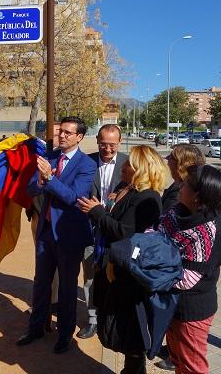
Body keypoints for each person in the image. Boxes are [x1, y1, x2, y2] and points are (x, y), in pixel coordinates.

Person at [77, 145, 168, 373]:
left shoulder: (148, 198)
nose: (123, 166)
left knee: (132, 336)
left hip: (128, 276)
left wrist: (97, 212)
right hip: (113, 268)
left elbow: (125, 233)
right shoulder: (129, 189)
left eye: (129, 164)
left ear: (141, 169)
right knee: (122, 331)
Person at [17, 116, 96, 354]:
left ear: (79, 137)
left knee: (67, 288)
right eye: (61, 131)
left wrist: (49, 178)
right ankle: (36, 327)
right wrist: (41, 181)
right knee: (41, 283)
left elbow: (74, 197)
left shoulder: (86, 164)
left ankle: (65, 334)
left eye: (68, 133)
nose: (61, 136)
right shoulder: (49, 158)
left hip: (69, 235)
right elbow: (31, 189)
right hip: (45, 233)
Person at [160, 165, 221, 374]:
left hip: (191, 310)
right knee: (178, 359)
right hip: (171, 302)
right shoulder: (179, 211)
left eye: (187, 185)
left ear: (198, 196)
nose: (180, 186)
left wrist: (150, 271)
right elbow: (157, 230)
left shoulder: (207, 231)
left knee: (193, 367)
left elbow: (187, 279)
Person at [156, 144, 205, 371]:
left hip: (188, 293)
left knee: (191, 360)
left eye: (172, 159)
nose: (167, 161)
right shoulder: (178, 188)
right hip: (176, 280)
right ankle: (171, 352)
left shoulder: (185, 196)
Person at [77, 124, 128, 340]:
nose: (107, 149)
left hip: (116, 232)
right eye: (103, 144)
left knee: (116, 276)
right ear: (97, 140)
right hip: (90, 230)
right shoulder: (86, 162)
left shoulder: (129, 164)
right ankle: (93, 320)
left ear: (120, 142)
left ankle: (112, 316)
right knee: (90, 277)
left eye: (112, 145)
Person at [26, 122, 60, 332]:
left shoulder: (71, 161)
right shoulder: (39, 158)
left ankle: (55, 304)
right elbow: (30, 188)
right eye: (55, 133)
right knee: (43, 264)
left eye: (62, 133)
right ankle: (45, 306)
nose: (58, 137)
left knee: (62, 267)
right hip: (39, 217)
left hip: (63, 222)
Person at [162, 144, 206, 212]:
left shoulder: (179, 194)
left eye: (170, 157)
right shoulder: (179, 184)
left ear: (181, 164)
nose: (167, 159)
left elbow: (163, 219)